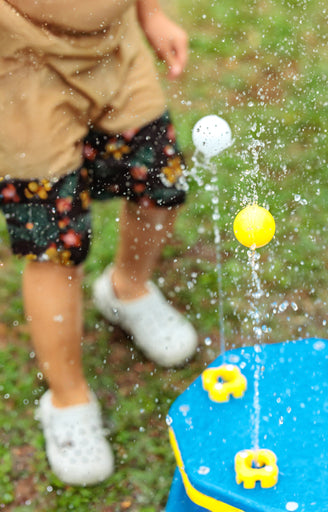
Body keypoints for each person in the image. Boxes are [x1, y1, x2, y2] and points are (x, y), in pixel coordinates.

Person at [0, 0, 198, 486]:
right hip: (22, 68)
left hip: (114, 49)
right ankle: (67, 398)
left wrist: (150, 14)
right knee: (54, 245)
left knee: (161, 185)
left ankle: (127, 289)